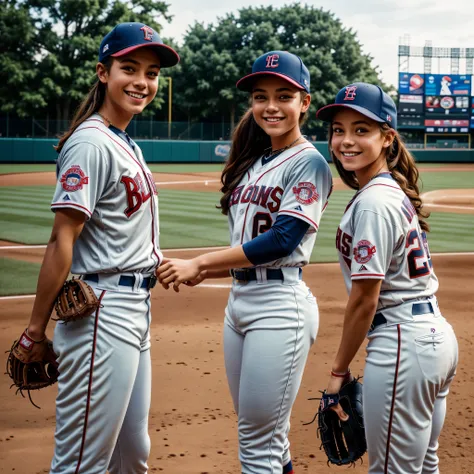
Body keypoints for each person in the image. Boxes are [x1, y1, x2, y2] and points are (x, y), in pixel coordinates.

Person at [157, 51, 333, 474]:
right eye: (260, 96)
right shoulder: (255, 162)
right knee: (265, 433)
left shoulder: (309, 162)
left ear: (304, 103)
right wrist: (205, 269)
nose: (270, 106)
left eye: (283, 96)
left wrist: (201, 261)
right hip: (240, 303)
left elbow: (282, 239)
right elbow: (245, 246)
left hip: (279, 304)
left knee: (257, 442)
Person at [21, 22, 179, 473]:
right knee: (81, 463)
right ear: (102, 72)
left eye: (151, 72)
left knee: (132, 454)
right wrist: (35, 330)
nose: (142, 81)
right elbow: (61, 239)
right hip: (102, 312)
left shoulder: (125, 141)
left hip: (134, 309)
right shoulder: (91, 141)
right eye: (129, 68)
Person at [316, 82, 459, 473]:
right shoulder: (389, 191)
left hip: (403, 344)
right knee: (423, 466)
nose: (346, 140)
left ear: (387, 138)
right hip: (433, 339)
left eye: (361, 130)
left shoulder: (374, 202)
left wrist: (338, 373)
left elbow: (364, 299)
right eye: (338, 129)